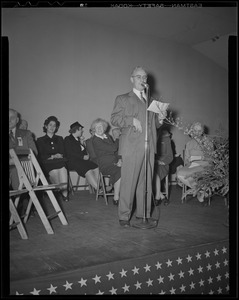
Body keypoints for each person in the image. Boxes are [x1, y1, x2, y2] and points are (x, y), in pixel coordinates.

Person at [111, 66, 166, 227]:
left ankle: (143, 214)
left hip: (149, 146)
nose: (143, 79)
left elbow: (154, 125)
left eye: (145, 77)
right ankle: (124, 216)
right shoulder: (122, 98)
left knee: (146, 182)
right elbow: (114, 119)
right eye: (139, 76)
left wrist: (161, 119)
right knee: (129, 182)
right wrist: (130, 120)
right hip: (131, 146)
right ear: (132, 79)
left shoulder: (151, 100)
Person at [176, 122, 213, 202]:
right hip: (192, 165)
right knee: (180, 174)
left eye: (199, 131)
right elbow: (186, 159)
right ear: (192, 131)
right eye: (195, 130)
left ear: (203, 131)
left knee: (192, 174)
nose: (197, 133)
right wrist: (187, 162)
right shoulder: (189, 143)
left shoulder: (208, 142)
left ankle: (199, 190)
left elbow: (212, 159)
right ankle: (199, 190)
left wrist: (200, 157)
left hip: (205, 165)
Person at [36, 116, 69, 201]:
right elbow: (41, 155)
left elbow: (63, 153)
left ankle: (65, 194)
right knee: (54, 171)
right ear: (46, 126)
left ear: (56, 127)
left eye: (54, 125)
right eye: (50, 125)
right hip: (48, 164)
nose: (52, 127)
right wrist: (53, 156)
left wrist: (58, 155)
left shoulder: (60, 138)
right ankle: (59, 191)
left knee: (63, 169)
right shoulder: (40, 140)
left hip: (60, 161)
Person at [91, 118, 121, 206]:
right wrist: (117, 138)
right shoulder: (95, 140)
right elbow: (113, 148)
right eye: (97, 127)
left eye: (101, 126)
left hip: (114, 162)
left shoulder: (107, 136)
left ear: (104, 127)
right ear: (94, 129)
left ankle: (123, 195)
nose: (99, 129)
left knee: (127, 168)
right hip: (105, 165)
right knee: (120, 171)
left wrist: (119, 159)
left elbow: (115, 152)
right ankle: (116, 197)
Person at [64, 122, 99, 190]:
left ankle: (98, 186)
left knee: (96, 167)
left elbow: (83, 152)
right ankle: (98, 188)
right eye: (80, 129)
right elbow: (69, 152)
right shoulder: (68, 139)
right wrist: (82, 157)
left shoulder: (78, 140)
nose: (82, 131)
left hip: (81, 161)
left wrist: (82, 144)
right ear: (76, 130)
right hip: (72, 161)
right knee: (87, 169)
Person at [9, 109, 38, 190]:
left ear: (17, 120)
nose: (9, 120)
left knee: (18, 171)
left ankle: (22, 199)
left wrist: (18, 161)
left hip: (24, 167)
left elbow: (34, 152)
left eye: (12, 118)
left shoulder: (26, 133)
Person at [153, 128, 173, 206]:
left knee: (154, 174)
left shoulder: (166, 138)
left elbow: (170, 156)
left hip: (162, 165)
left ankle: (157, 197)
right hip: (151, 163)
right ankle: (162, 196)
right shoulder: (150, 137)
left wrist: (161, 162)